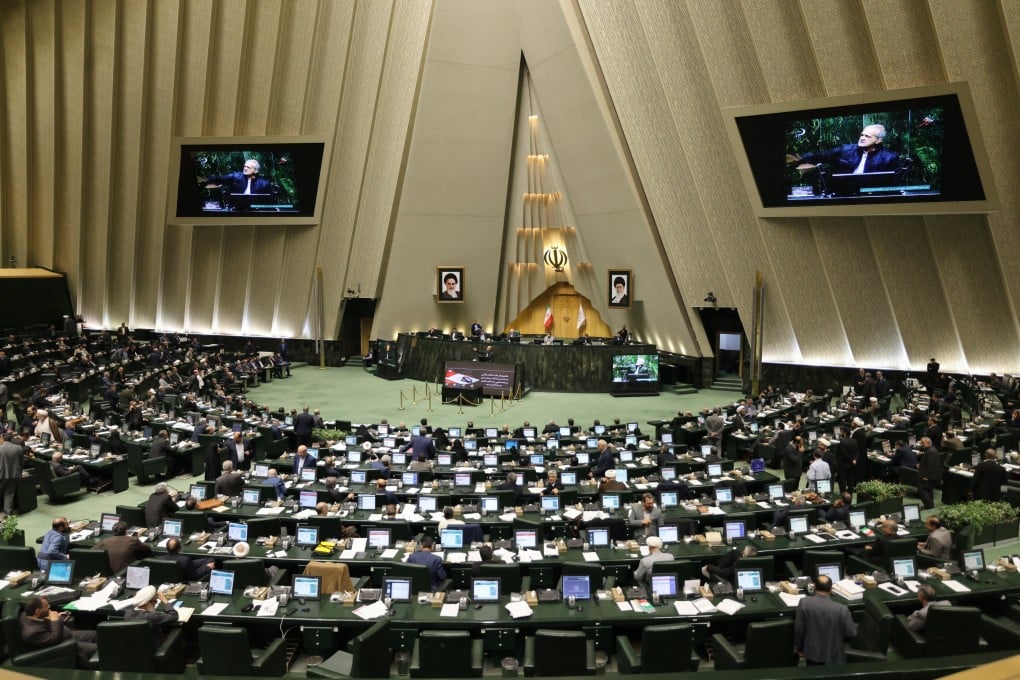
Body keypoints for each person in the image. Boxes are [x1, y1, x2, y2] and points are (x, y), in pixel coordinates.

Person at [788, 123, 899, 175]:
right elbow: (822, 155)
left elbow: (891, 182)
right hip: (844, 192)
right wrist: (798, 158)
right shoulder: (846, 150)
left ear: (878, 140)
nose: (862, 138)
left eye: (867, 136)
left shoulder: (889, 157)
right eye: (862, 135)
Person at [794, 575, 856, 665]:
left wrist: (799, 649)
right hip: (833, 655)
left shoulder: (804, 602)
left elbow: (799, 630)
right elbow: (851, 633)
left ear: (814, 586)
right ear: (831, 589)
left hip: (811, 654)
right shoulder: (842, 609)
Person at [20, 595, 97, 668]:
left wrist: (57, 617)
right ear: (38, 611)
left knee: (97, 635)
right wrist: (55, 620)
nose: (49, 607)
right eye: (47, 606)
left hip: (67, 634)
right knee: (99, 649)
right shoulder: (32, 634)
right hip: (66, 645)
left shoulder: (27, 615)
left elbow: (42, 623)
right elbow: (55, 639)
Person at [201, 158, 273, 195]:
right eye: (245, 166)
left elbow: (269, 200)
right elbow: (219, 179)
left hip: (255, 211)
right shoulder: (236, 176)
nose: (245, 168)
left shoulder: (264, 183)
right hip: (237, 209)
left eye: (248, 167)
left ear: (256, 171)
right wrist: (204, 180)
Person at [0, 431, 23, 516]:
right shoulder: (18, 448)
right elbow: (21, 463)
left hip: (1, 474)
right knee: (9, 494)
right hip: (14, 474)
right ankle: (8, 512)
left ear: (2, 438)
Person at [917, 436, 942, 509]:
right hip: (932, 476)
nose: (921, 444)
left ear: (927, 443)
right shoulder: (931, 449)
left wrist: (926, 476)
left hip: (928, 476)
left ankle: (929, 507)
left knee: (922, 491)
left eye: (922, 442)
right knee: (928, 491)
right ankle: (929, 506)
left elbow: (930, 466)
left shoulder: (931, 452)